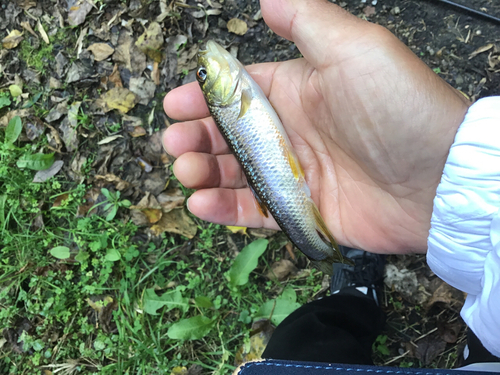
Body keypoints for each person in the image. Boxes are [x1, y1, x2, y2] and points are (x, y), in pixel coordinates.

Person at [162, 0, 500, 371]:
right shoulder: (233, 96)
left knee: (298, 345)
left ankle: (356, 295)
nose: (208, 64)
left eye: (203, 74)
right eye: (204, 73)